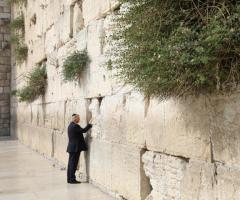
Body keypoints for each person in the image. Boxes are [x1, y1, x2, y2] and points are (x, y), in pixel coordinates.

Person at [66, 113, 92, 184]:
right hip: (75, 148)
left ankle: (69, 179)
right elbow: (83, 130)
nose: (79, 119)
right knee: (73, 164)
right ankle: (72, 179)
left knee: (71, 164)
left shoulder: (70, 125)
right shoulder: (75, 126)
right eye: (78, 118)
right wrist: (89, 125)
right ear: (75, 118)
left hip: (72, 148)